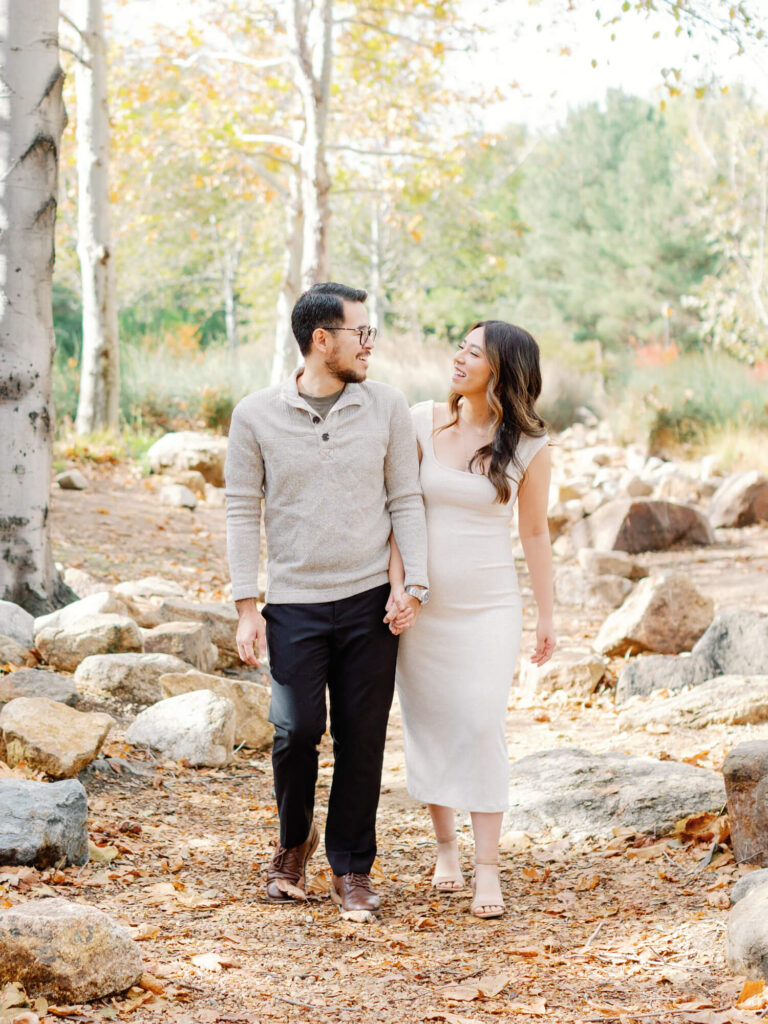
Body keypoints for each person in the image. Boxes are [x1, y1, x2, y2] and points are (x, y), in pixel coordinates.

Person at [224, 282, 429, 916]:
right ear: (322, 340)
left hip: (370, 599)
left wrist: (412, 582)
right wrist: (245, 605)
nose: (369, 344)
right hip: (294, 603)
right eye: (359, 333)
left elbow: (404, 499)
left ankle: (351, 866)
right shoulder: (255, 414)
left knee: (362, 737)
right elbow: (240, 510)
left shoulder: (386, 405)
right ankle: (293, 842)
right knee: (295, 730)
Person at [388, 319, 555, 919]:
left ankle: (489, 870)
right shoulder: (419, 420)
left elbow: (535, 533)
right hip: (424, 609)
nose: (459, 357)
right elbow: (398, 512)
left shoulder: (530, 447)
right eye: (460, 346)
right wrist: (398, 588)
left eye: (474, 352)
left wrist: (547, 615)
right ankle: (445, 848)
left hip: (490, 608)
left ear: (503, 370)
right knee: (430, 723)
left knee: (481, 725)